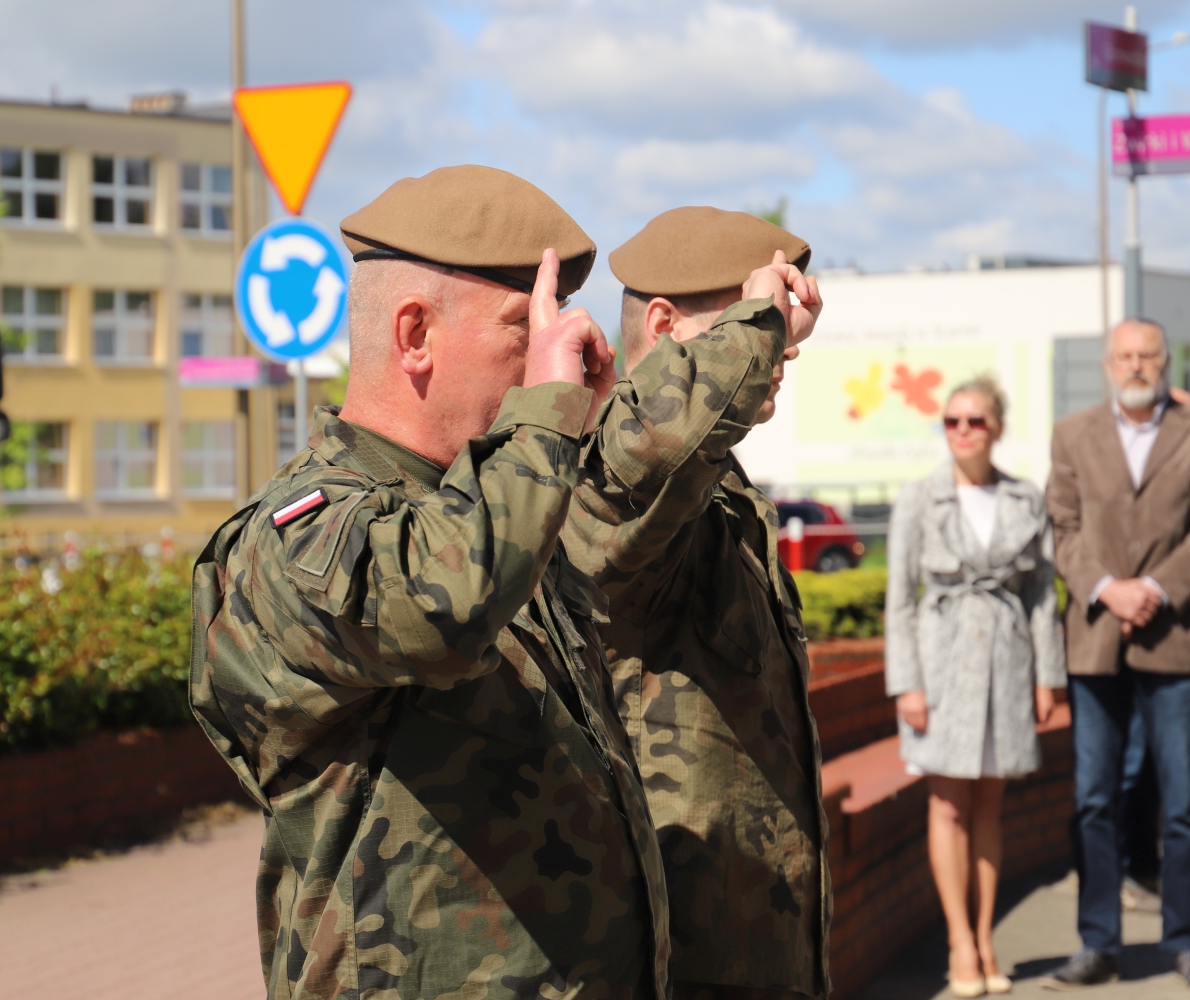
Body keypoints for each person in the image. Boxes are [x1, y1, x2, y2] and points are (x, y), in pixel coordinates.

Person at [190, 166, 672, 1000]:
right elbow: (437, 607)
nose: (547, 366)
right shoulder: (299, 531)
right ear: (414, 335)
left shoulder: (496, 504)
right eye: (525, 331)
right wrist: (547, 419)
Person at [562, 207, 831, 1000]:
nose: (771, 344)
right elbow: (644, 452)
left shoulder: (714, 479)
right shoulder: (605, 462)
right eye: (746, 318)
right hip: (678, 951)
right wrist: (756, 334)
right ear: (663, 324)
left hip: (753, 940)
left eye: (774, 323)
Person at [1042, 318, 1190, 995]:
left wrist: (1153, 590)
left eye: (1147, 355)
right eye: (1124, 355)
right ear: (1107, 363)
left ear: (1166, 361)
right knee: (1095, 799)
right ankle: (1098, 943)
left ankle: (1186, 941)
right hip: (1096, 640)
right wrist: (1108, 589)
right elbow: (1063, 528)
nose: (1135, 365)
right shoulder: (1072, 434)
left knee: (1184, 804)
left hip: (1176, 638)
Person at [886, 376, 1065, 998]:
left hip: (1009, 664)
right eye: (952, 421)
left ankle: (986, 936)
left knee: (991, 805)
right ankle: (959, 941)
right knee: (947, 804)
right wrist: (905, 683)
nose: (962, 431)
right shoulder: (920, 498)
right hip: (941, 667)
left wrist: (1049, 675)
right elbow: (898, 600)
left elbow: (1043, 592)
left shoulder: (1024, 498)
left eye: (975, 421)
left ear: (996, 427)